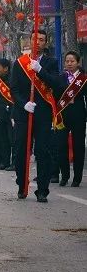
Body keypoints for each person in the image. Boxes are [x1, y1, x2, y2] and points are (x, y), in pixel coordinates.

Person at [12, 29, 58, 202]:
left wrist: (40, 71)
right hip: (24, 113)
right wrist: (24, 103)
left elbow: (56, 83)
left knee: (43, 151)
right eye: (34, 39)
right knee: (21, 151)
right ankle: (22, 185)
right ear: (29, 41)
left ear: (45, 43)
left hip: (43, 114)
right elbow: (13, 88)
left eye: (41, 39)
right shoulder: (19, 63)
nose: (37, 42)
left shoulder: (51, 62)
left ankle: (43, 190)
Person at [33, 50, 85, 188]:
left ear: (78, 62)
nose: (69, 64)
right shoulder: (60, 77)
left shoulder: (83, 79)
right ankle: (65, 176)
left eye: (72, 61)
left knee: (78, 146)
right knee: (61, 146)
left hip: (79, 115)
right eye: (67, 61)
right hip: (62, 115)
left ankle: (77, 178)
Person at [0, 58, 13, 170]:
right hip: (0, 115)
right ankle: (5, 162)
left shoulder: (12, 80)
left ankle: (14, 163)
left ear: (5, 68)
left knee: (12, 140)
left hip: (11, 115)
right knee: (3, 139)